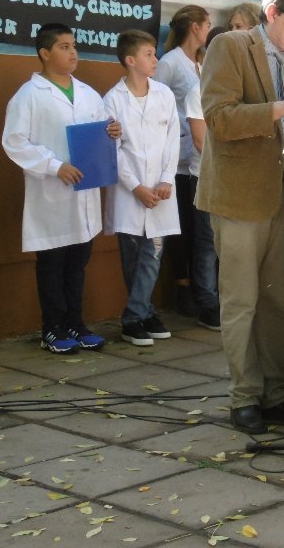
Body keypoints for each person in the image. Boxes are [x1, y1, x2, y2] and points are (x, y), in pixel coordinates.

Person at [196, 0, 284, 435]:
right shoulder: (229, 47)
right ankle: (243, 396)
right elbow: (219, 119)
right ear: (272, 12)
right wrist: (283, 108)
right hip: (240, 197)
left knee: (277, 301)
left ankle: (275, 393)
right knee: (241, 301)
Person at [2, 23, 121, 354]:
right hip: (52, 194)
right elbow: (14, 142)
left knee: (77, 262)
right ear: (45, 53)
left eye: (74, 46)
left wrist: (112, 131)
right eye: (64, 46)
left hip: (84, 193)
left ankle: (75, 324)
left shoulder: (86, 93)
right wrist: (55, 166)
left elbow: (102, 128)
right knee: (53, 263)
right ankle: (52, 328)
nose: (73, 53)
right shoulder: (29, 96)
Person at [103, 30, 179, 347]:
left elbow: (173, 138)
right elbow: (114, 150)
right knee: (133, 255)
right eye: (149, 53)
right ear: (131, 60)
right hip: (129, 191)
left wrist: (165, 179)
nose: (155, 59)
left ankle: (135, 315)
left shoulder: (164, 94)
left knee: (154, 254)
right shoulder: (112, 100)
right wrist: (135, 187)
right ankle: (142, 313)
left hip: (160, 191)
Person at [155, 5, 209, 316]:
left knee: (197, 227)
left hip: (197, 158)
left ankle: (197, 286)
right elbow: (160, 101)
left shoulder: (200, 63)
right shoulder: (171, 62)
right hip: (177, 156)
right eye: (206, 26)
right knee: (181, 227)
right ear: (194, 27)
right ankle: (183, 285)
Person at [184, 45, 221, 331]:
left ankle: (227, 299)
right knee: (207, 244)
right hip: (207, 176)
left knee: (231, 242)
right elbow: (200, 140)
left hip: (236, 179)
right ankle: (207, 302)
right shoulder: (197, 92)